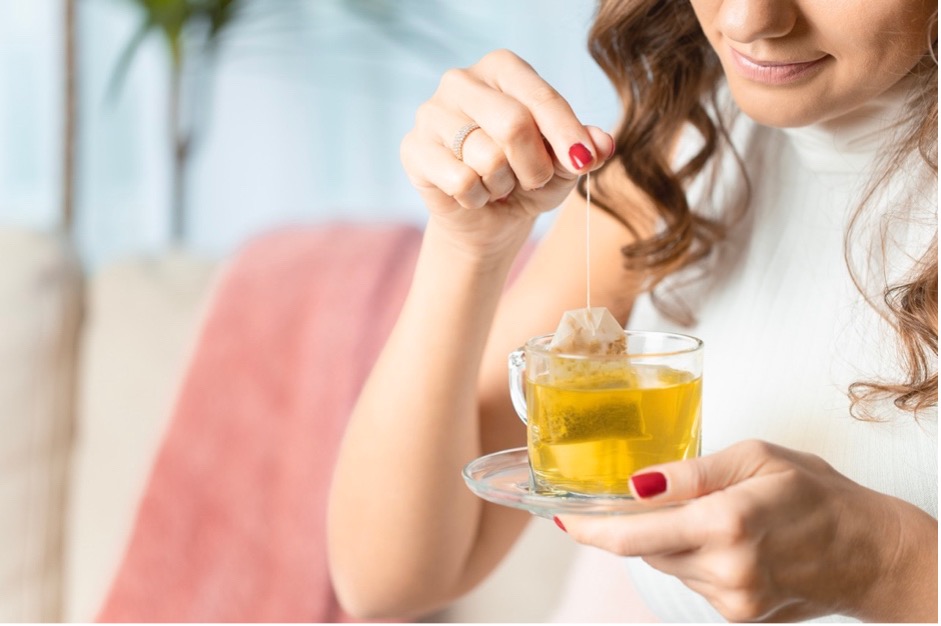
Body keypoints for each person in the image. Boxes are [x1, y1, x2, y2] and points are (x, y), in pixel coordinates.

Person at [327, 0, 938, 622]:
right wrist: (467, 246)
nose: (749, 21)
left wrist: (887, 562)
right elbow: (389, 582)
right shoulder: (683, 141)